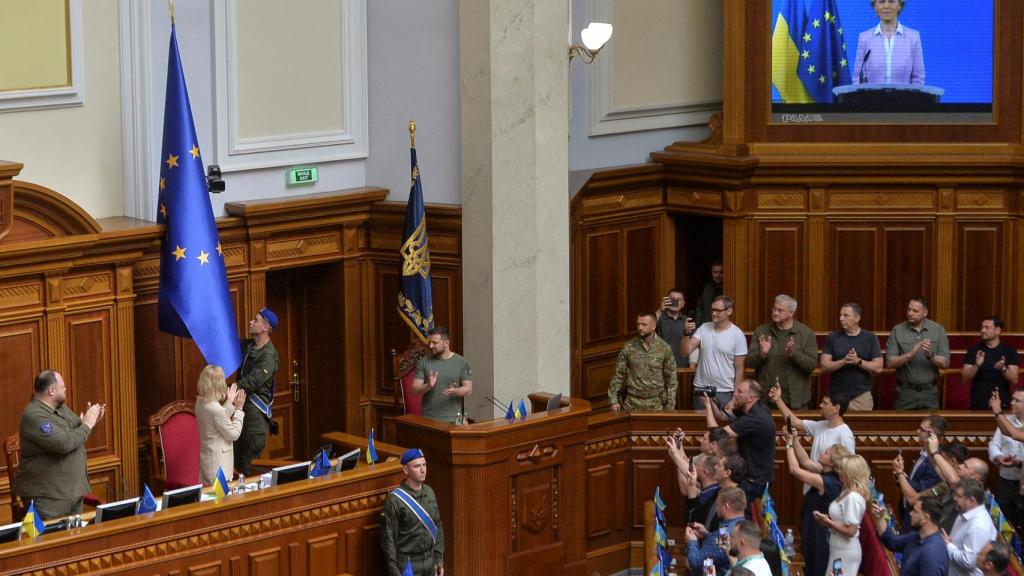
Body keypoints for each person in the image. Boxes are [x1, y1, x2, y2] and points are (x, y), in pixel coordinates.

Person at [13, 370, 105, 520]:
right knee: (52, 540)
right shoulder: (35, 415)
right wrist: (87, 425)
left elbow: (77, 431)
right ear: (51, 390)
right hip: (48, 497)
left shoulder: (59, 407)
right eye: (63, 387)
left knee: (74, 540)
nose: (66, 389)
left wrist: (91, 420)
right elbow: (64, 443)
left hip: (71, 491)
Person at [783, 426, 850, 576]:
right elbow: (805, 461)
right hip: (812, 527)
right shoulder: (825, 473)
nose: (822, 452)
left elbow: (795, 470)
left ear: (832, 463)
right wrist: (794, 439)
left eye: (826, 453)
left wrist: (788, 444)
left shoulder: (829, 483)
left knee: (816, 567)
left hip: (819, 533)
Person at [703, 378, 775, 505]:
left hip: (755, 480)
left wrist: (708, 407)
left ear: (750, 398)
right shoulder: (748, 409)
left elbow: (718, 434)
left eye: (740, 392)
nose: (735, 394)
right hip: (751, 475)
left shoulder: (756, 418)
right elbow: (722, 415)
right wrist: (711, 400)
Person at [745, 294, 818, 409]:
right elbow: (749, 362)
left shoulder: (806, 333)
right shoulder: (762, 331)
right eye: (774, 309)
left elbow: (811, 366)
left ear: (791, 313)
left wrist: (794, 354)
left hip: (795, 400)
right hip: (765, 400)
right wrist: (762, 354)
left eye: (780, 310)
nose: (775, 313)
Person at [769, 386, 855, 482]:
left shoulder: (845, 435)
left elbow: (849, 470)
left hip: (828, 491)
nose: (821, 405)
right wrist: (778, 400)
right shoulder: (820, 425)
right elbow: (794, 422)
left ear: (836, 408)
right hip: (812, 486)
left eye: (825, 403)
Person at [380, 448, 444, 576]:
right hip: (408, 563)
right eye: (417, 466)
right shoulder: (395, 500)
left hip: (430, 561)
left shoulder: (429, 492)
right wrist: (394, 572)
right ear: (405, 470)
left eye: (424, 465)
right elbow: (388, 540)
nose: (422, 470)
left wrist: (438, 559)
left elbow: (438, 526)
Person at [234, 308, 280, 476]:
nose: (251, 322)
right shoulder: (249, 346)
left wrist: (228, 390)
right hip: (240, 411)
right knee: (237, 465)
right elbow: (229, 344)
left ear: (265, 327)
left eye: (255, 320)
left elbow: (252, 382)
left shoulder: (269, 356)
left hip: (254, 418)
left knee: (250, 467)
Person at [683, 295, 746, 409]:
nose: (714, 313)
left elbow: (740, 369)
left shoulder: (737, 335)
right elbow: (685, 352)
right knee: (698, 425)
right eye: (712, 309)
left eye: (718, 310)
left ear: (729, 311)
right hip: (701, 389)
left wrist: (735, 398)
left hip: (725, 392)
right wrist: (686, 333)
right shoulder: (704, 328)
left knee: (723, 426)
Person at [886, 298, 950, 410]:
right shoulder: (897, 330)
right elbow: (890, 363)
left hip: (929, 392)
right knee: (902, 426)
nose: (910, 313)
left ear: (925, 313)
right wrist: (910, 355)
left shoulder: (937, 329)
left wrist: (931, 355)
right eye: (909, 309)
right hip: (905, 393)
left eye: (915, 311)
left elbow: (945, 363)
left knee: (931, 426)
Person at [606, 312, 676, 411]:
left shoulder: (664, 348)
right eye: (638, 324)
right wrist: (613, 400)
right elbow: (618, 375)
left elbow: (671, 380)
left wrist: (670, 406)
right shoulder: (629, 347)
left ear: (653, 326)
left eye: (644, 324)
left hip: (656, 403)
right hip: (632, 402)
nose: (640, 327)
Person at [813, 454, 870, 576]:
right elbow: (842, 521)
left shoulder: (853, 497)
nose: (839, 471)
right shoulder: (846, 491)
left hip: (846, 551)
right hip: (838, 547)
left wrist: (828, 522)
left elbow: (851, 531)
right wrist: (827, 522)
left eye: (843, 469)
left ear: (851, 472)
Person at [820, 302, 883, 411]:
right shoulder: (832, 337)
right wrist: (844, 361)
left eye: (846, 315)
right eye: (840, 315)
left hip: (861, 396)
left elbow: (878, 367)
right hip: (835, 395)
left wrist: (858, 361)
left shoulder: (870, 338)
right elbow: (824, 366)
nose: (841, 318)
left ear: (857, 318)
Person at [870, 496, 949, 576]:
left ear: (925, 518)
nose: (910, 513)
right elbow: (892, 542)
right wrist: (879, 518)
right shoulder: (917, 536)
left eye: (915, 511)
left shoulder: (932, 555)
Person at [853, 0, 925, 85]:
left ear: (899, 5)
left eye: (891, 1)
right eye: (881, 2)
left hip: (904, 97)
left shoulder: (913, 38)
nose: (886, 6)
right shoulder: (864, 38)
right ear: (875, 6)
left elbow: (918, 78)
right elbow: (857, 79)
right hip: (871, 97)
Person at [196, 365, 245, 485]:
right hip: (219, 466)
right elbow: (233, 434)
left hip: (208, 462)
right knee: (221, 501)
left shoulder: (200, 402)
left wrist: (229, 401)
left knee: (210, 501)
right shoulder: (217, 410)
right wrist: (239, 410)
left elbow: (218, 421)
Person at [413, 327, 474, 422]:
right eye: (430, 342)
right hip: (428, 419)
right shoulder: (424, 362)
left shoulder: (462, 362)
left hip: (454, 420)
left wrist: (455, 391)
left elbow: (468, 390)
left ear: (446, 343)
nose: (430, 346)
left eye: (435, 343)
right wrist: (428, 385)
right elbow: (415, 390)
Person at [684, 486, 747, 576]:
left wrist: (692, 541)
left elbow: (696, 562)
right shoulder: (742, 525)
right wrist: (707, 535)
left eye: (717, 505)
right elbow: (720, 553)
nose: (716, 509)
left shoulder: (726, 532)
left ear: (726, 507)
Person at [988, 387, 1024, 532]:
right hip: (1010, 480)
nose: (1013, 403)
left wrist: (998, 411)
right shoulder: (1010, 421)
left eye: (1018, 400)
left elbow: (1014, 434)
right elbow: (1005, 431)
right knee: (1006, 523)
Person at [964, 316, 1020, 410]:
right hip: (978, 403)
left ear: (998, 330)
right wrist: (976, 365)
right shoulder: (973, 351)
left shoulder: (1009, 351)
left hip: (1002, 403)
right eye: (982, 327)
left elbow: (1014, 380)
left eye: (987, 327)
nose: (982, 330)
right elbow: (964, 378)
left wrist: (1003, 368)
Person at [944, 478, 997, 576]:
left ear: (971, 500)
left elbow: (969, 561)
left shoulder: (979, 526)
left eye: (959, 496)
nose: (954, 498)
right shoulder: (966, 512)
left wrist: (948, 545)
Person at [655, 288, 691, 368]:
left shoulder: (687, 321)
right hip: (660, 368)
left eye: (679, 299)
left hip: (682, 368)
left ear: (683, 304)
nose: (675, 302)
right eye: (672, 299)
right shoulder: (659, 317)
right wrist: (660, 310)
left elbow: (692, 346)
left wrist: (692, 366)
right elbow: (648, 326)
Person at [694, 261, 724, 327]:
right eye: (715, 272)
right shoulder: (707, 288)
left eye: (721, 272)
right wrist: (698, 324)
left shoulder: (729, 288)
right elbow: (700, 307)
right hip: (706, 326)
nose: (718, 275)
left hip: (722, 327)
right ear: (711, 273)